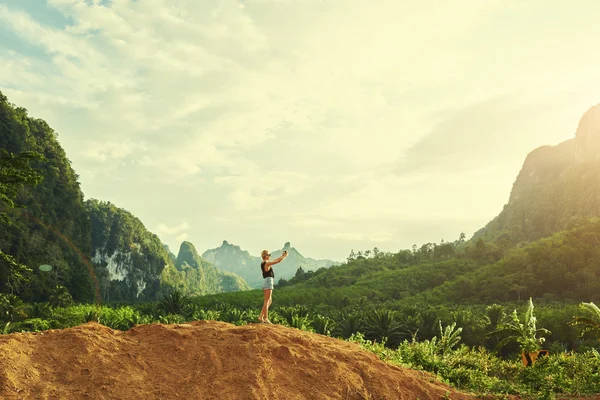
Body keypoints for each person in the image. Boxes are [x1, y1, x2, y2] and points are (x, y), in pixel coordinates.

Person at [259, 249, 288, 323]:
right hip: (268, 281)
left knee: (269, 300)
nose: (270, 256)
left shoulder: (264, 263)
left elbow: (276, 259)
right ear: (265, 256)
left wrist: (282, 256)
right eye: (269, 255)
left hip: (267, 281)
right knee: (267, 300)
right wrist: (284, 256)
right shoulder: (266, 263)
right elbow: (278, 261)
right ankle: (265, 318)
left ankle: (260, 317)